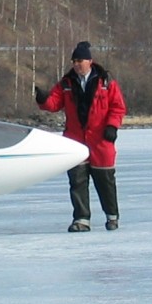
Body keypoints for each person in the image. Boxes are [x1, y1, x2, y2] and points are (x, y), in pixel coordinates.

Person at [36, 41, 127, 232]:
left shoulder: (106, 82)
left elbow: (118, 107)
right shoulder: (66, 83)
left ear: (89, 61)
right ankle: (81, 219)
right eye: (74, 61)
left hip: (101, 141)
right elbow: (54, 103)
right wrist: (43, 99)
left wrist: (112, 126)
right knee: (77, 181)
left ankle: (112, 216)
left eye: (80, 60)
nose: (76, 64)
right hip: (75, 141)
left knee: (105, 182)